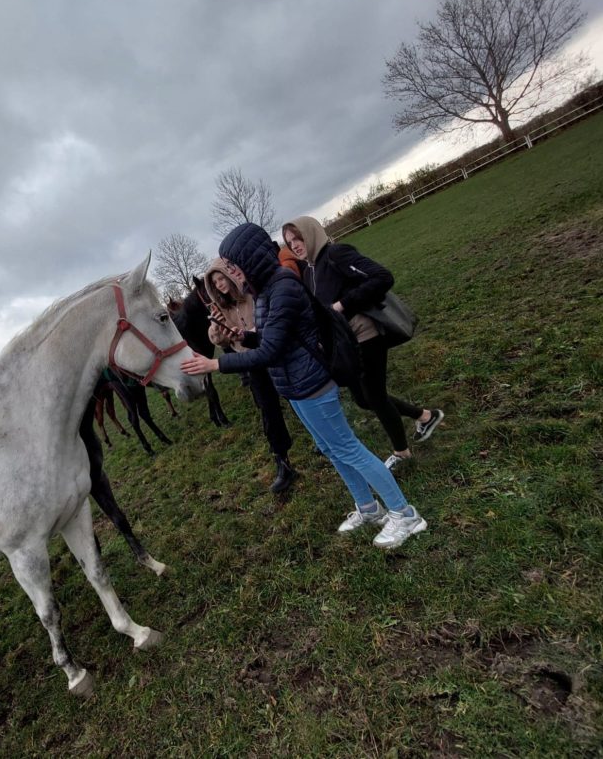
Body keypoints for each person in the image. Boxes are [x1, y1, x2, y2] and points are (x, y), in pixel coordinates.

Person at [182, 223, 428, 549]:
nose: (231, 273)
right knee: (331, 449)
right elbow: (272, 340)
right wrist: (242, 336)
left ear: (249, 259)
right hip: (294, 386)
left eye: (232, 265)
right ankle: (369, 508)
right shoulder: (266, 291)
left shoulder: (282, 288)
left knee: (347, 447)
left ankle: (404, 513)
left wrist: (215, 364)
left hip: (311, 383)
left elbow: (269, 352)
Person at [282, 216, 443, 471]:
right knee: (362, 398)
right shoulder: (310, 271)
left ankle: (402, 453)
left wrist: (343, 305)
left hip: (366, 334)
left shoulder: (337, 254)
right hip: (345, 342)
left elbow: (382, 277)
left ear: (311, 234)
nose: (296, 246)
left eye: (298, 238)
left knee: (375, 396)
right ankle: (425, 415)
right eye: (290, 243)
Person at [204, 258, 296, 495]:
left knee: (295, 396)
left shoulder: (253, 295)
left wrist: (248, 332)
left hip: (272, 352)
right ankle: (282, 462)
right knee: (267, 409)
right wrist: (218, 328)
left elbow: (268, 322)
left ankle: (321, 439)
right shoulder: (221, 308)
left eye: (221, 278)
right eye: (215, 283)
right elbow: (220, 341)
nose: (220, 284)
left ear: (229, 275)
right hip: (250, 361)